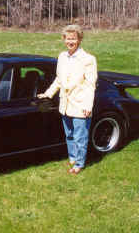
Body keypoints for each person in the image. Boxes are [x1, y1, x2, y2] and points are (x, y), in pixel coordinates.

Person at [38, 25, 97, 174]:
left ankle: (79, 164)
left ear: (79, 39)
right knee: (69, 134)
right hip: (65, 104)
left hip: (80, 104)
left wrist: (87, 106)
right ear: (64, 39)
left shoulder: (88, 59)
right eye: (68, 38)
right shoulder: (62, 56)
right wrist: (48, 93)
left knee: (80, 136)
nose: (71, 41)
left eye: (74, 38)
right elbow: (59, 79)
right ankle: (72, 158)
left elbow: (91, 85)